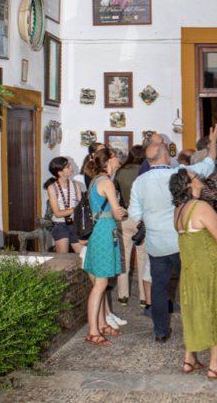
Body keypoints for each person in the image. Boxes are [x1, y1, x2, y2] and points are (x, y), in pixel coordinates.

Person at [128, 125, 217, 342]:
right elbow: (209, 163)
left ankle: (161, 331)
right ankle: (196, 328)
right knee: (190, 285)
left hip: (155, 244)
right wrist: (213, 140)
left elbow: (134, 213)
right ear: (165, 155)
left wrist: (150, 220)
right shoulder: (180, 175)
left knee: (159, 287)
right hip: (182, 240)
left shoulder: (140, 182)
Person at [169, 169, 217, 379]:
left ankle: (189, 358)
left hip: (190, 268)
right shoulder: (200, 207)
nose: (199, 177)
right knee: (215, 311)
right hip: (209, 268)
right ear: (189, 185)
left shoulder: (179, 210)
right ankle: (215, 366)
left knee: (193, 311)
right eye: (194, 176)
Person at [83, 148, 126, 346]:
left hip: (99, 231)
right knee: (100, 284)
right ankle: (93, 331)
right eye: (116, 156)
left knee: (99, 282)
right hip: (103, 232)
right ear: (109, 160)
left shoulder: (95, 180)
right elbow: (117, 213)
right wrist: (124, 212)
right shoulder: (107, 182)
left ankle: (100, 324)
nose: (118, 159)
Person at [114, 145, 145, 307]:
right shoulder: (145, 172)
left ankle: (123, 295)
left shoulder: (120, 172)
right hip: (142, 218)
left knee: (123, 258)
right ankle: (143, 296)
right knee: (143, 258)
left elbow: (116, 192)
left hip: (125, 216)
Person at [44, 157, 82, 254]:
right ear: (60, 173)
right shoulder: (52, 187)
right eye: (67, 166)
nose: (71, 167)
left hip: (75, 225)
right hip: (60, 226)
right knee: (63, 258)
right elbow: (57, 213)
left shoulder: (76, 185)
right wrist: (74, 209)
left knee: (83, 256)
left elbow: (81, 206)